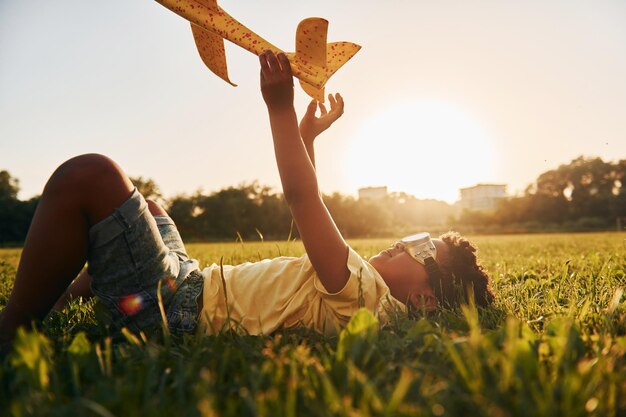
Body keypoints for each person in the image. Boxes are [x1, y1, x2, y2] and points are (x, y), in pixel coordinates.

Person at [0, 51, 493, 351]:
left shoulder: (368, 299)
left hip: (178, 312)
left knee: (90, 174)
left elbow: (304, 200)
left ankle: (11, 331)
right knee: (149, 209)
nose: (404, 244)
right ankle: (67, 297)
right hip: (190, 283)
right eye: (415, 238)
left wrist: (280, 109)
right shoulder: (357, 285)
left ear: (427, 298)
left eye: (422, 250)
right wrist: (306, 134)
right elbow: (313, 208)